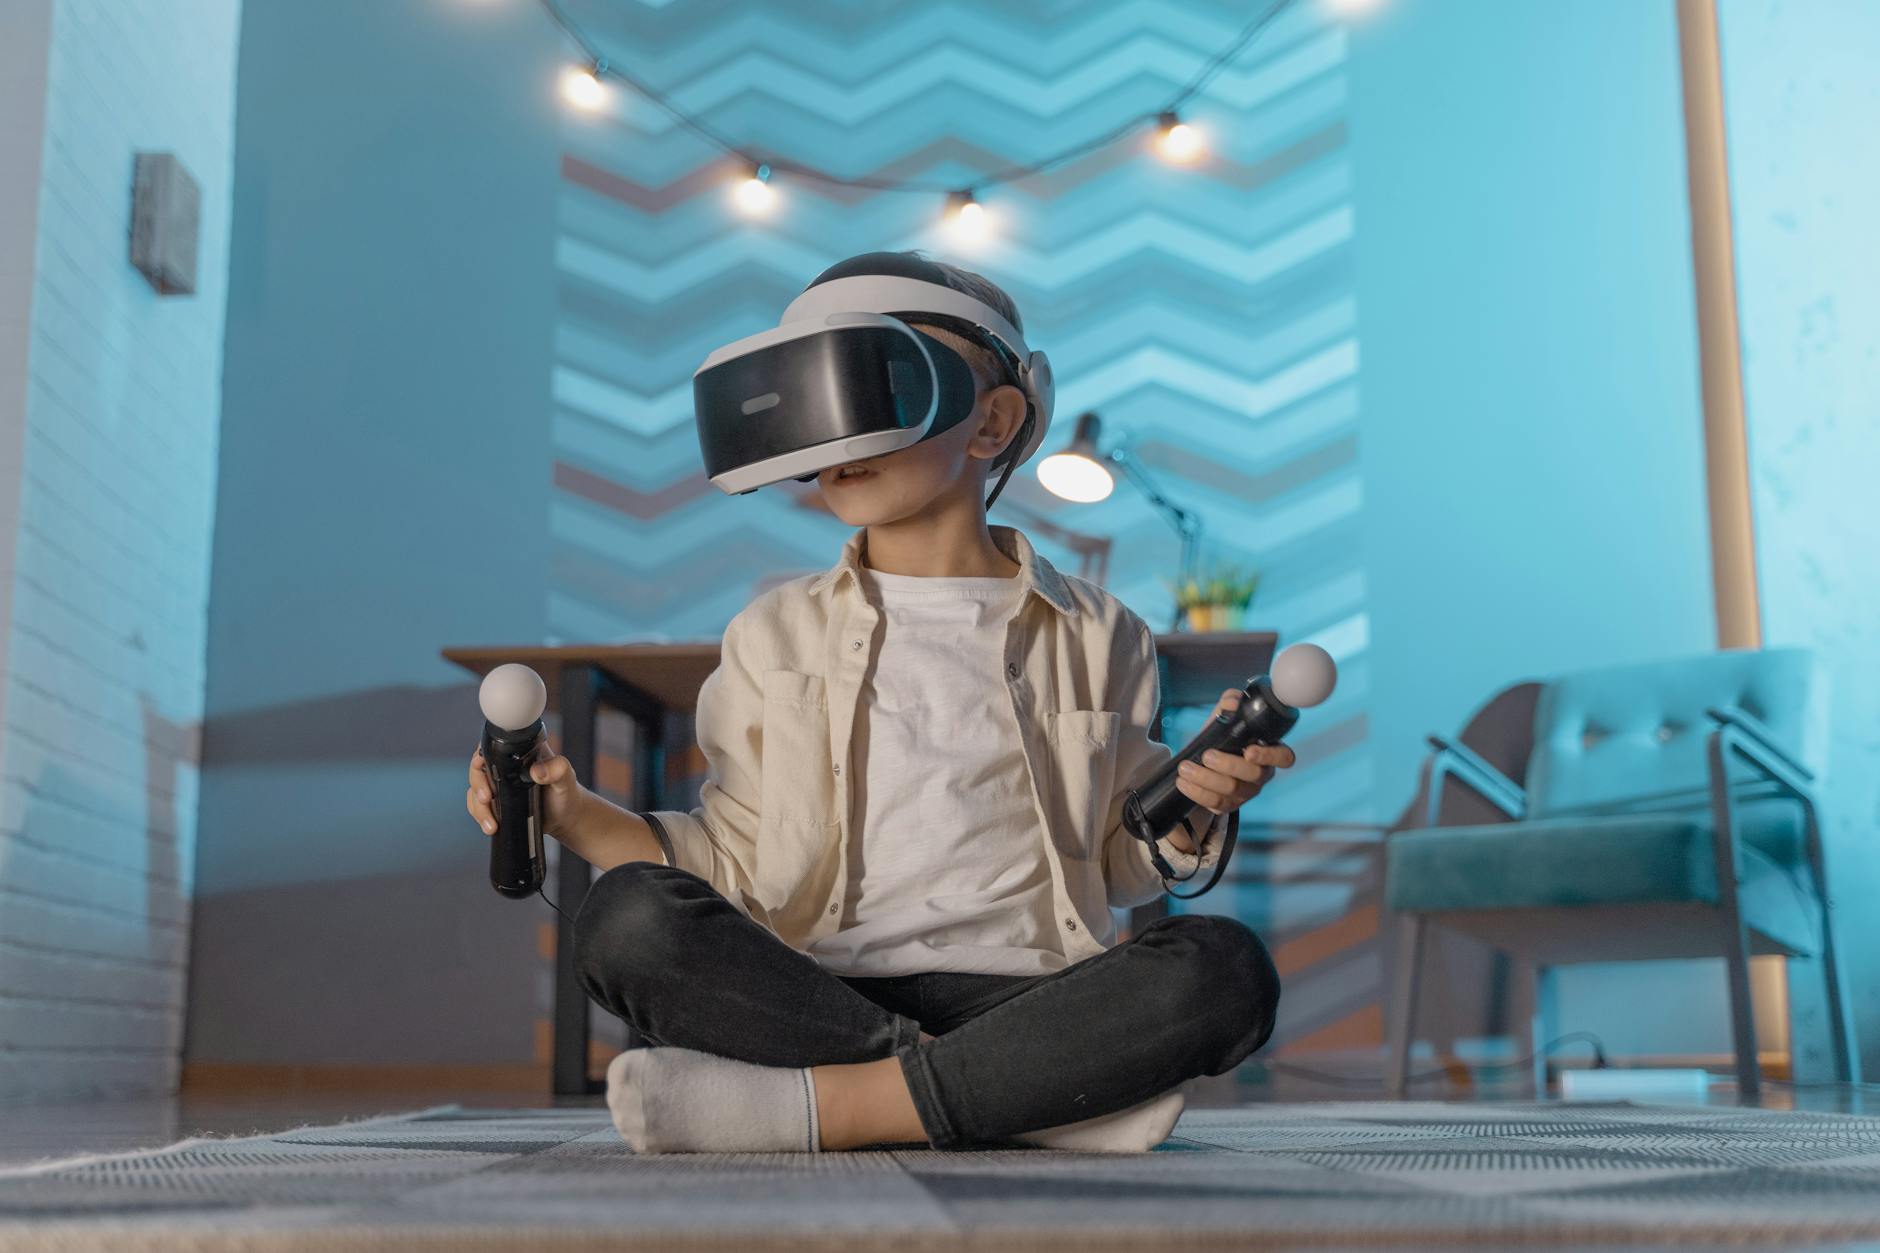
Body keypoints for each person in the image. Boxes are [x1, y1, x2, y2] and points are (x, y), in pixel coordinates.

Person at [466, 251, 1290, 1153]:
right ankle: (1030, 1096)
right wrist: (571, 813)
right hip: (819, 988)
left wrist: (1188, 813)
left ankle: (824, 1107)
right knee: (624, 919)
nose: (837, 434)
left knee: (1224, 970)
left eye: (866, 385)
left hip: (1031, 990)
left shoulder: (1102, 632)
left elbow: (1121, 865)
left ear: (993, 422)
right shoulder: (770, 634)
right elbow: (730, 862)